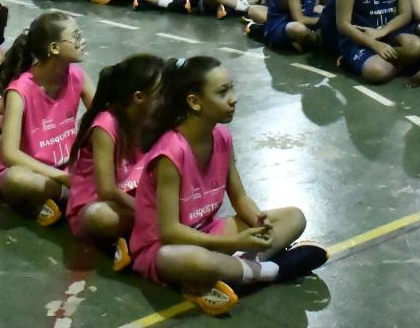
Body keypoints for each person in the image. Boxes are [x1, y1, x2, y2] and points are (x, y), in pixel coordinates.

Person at [127, 56, 326, 316]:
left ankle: (231, 272)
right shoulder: (170, 153)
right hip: (165, 249)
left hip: (207, 233)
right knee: (194, 260)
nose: (233, 98)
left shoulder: (222, 136)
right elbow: (169, 232)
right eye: (223, 92)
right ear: (195, 102)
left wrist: (258, 222)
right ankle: (272, 271)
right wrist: (234, 241)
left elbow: (240, 197)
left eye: (232, 88)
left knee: (294, 217)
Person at [0, 12, 95, 226]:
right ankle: (72, 197)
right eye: (76, 37)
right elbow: (10, 154)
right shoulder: (20, 91)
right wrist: (62, 179)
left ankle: (61, 201)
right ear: (54, 48)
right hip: (34, 172)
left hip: (67, 167)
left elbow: (104, 119)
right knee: (15, 180)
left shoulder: (77, 76)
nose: (82, 42)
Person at [67, 53, 163, 247]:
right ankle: (143, 240)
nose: (165, 99)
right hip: (99, 204)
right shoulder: (106, 125)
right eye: (161, 93)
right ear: (139, 97)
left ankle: (140, 239)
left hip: (132, 200)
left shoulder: (151, 120)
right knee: (100, 217)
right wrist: (147, 212)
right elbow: (107, 191)